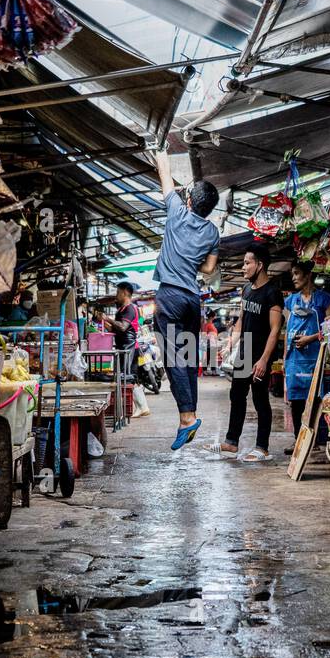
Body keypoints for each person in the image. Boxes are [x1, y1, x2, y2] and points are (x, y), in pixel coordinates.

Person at [152, 153, 222, 450]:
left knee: (172, 358)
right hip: (192, 298)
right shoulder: (213, 231)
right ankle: (190, 414)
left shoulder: (177, 212)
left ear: (190, 200)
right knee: (189, 358)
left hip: (169, 295)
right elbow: (208, 269)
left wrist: (159, 150)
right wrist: (190, 260)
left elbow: (164, 175)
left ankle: (187, 418)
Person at [215, 246, 283, 461]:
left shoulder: (272, 292)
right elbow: (241, 321)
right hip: (245, 351)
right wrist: (230, 343)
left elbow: (275, 329)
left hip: (261, 352)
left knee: (260, 398)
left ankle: (262, 447)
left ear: (260, 265)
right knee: (236, 395)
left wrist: (264, 359)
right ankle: (231, 442)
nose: (243, 267)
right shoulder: (246, 290)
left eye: (247, 263)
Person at [283, 260, 330, 454]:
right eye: (293, 275)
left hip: (316, 357)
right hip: (295, 358)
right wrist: (285, 358)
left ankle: (315, 440)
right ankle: (299, 440)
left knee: (315, 400)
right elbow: (287, 329)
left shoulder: (324, 299)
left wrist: (310, 338)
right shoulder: (290, 301)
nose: (294, 278)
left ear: (308, 275)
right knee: (296, 401)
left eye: (297, 274)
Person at [101, 281, 150, 417]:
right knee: (128, 377)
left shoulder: (130, 308)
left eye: (117, 292)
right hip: (123, 347)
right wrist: (104, 323)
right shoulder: (121, 309)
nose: (116, 295)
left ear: (124, 292)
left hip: (130, 348)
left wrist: (108, 319)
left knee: (129, 377)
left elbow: (123, 327)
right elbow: (117, 330)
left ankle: (142, 407)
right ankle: (142, 407)